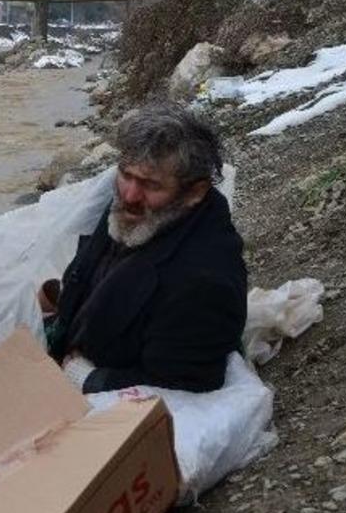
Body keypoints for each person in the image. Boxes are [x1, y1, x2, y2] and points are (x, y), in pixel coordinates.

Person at [46, 103, 247, 394]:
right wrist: (59, 300)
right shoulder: (135, 209)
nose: (129, 194)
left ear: (195, 192)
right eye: (125, 175)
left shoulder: (203, 282)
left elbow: (184, 382)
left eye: (151, 185)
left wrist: (88, 378)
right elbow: (95, 275)